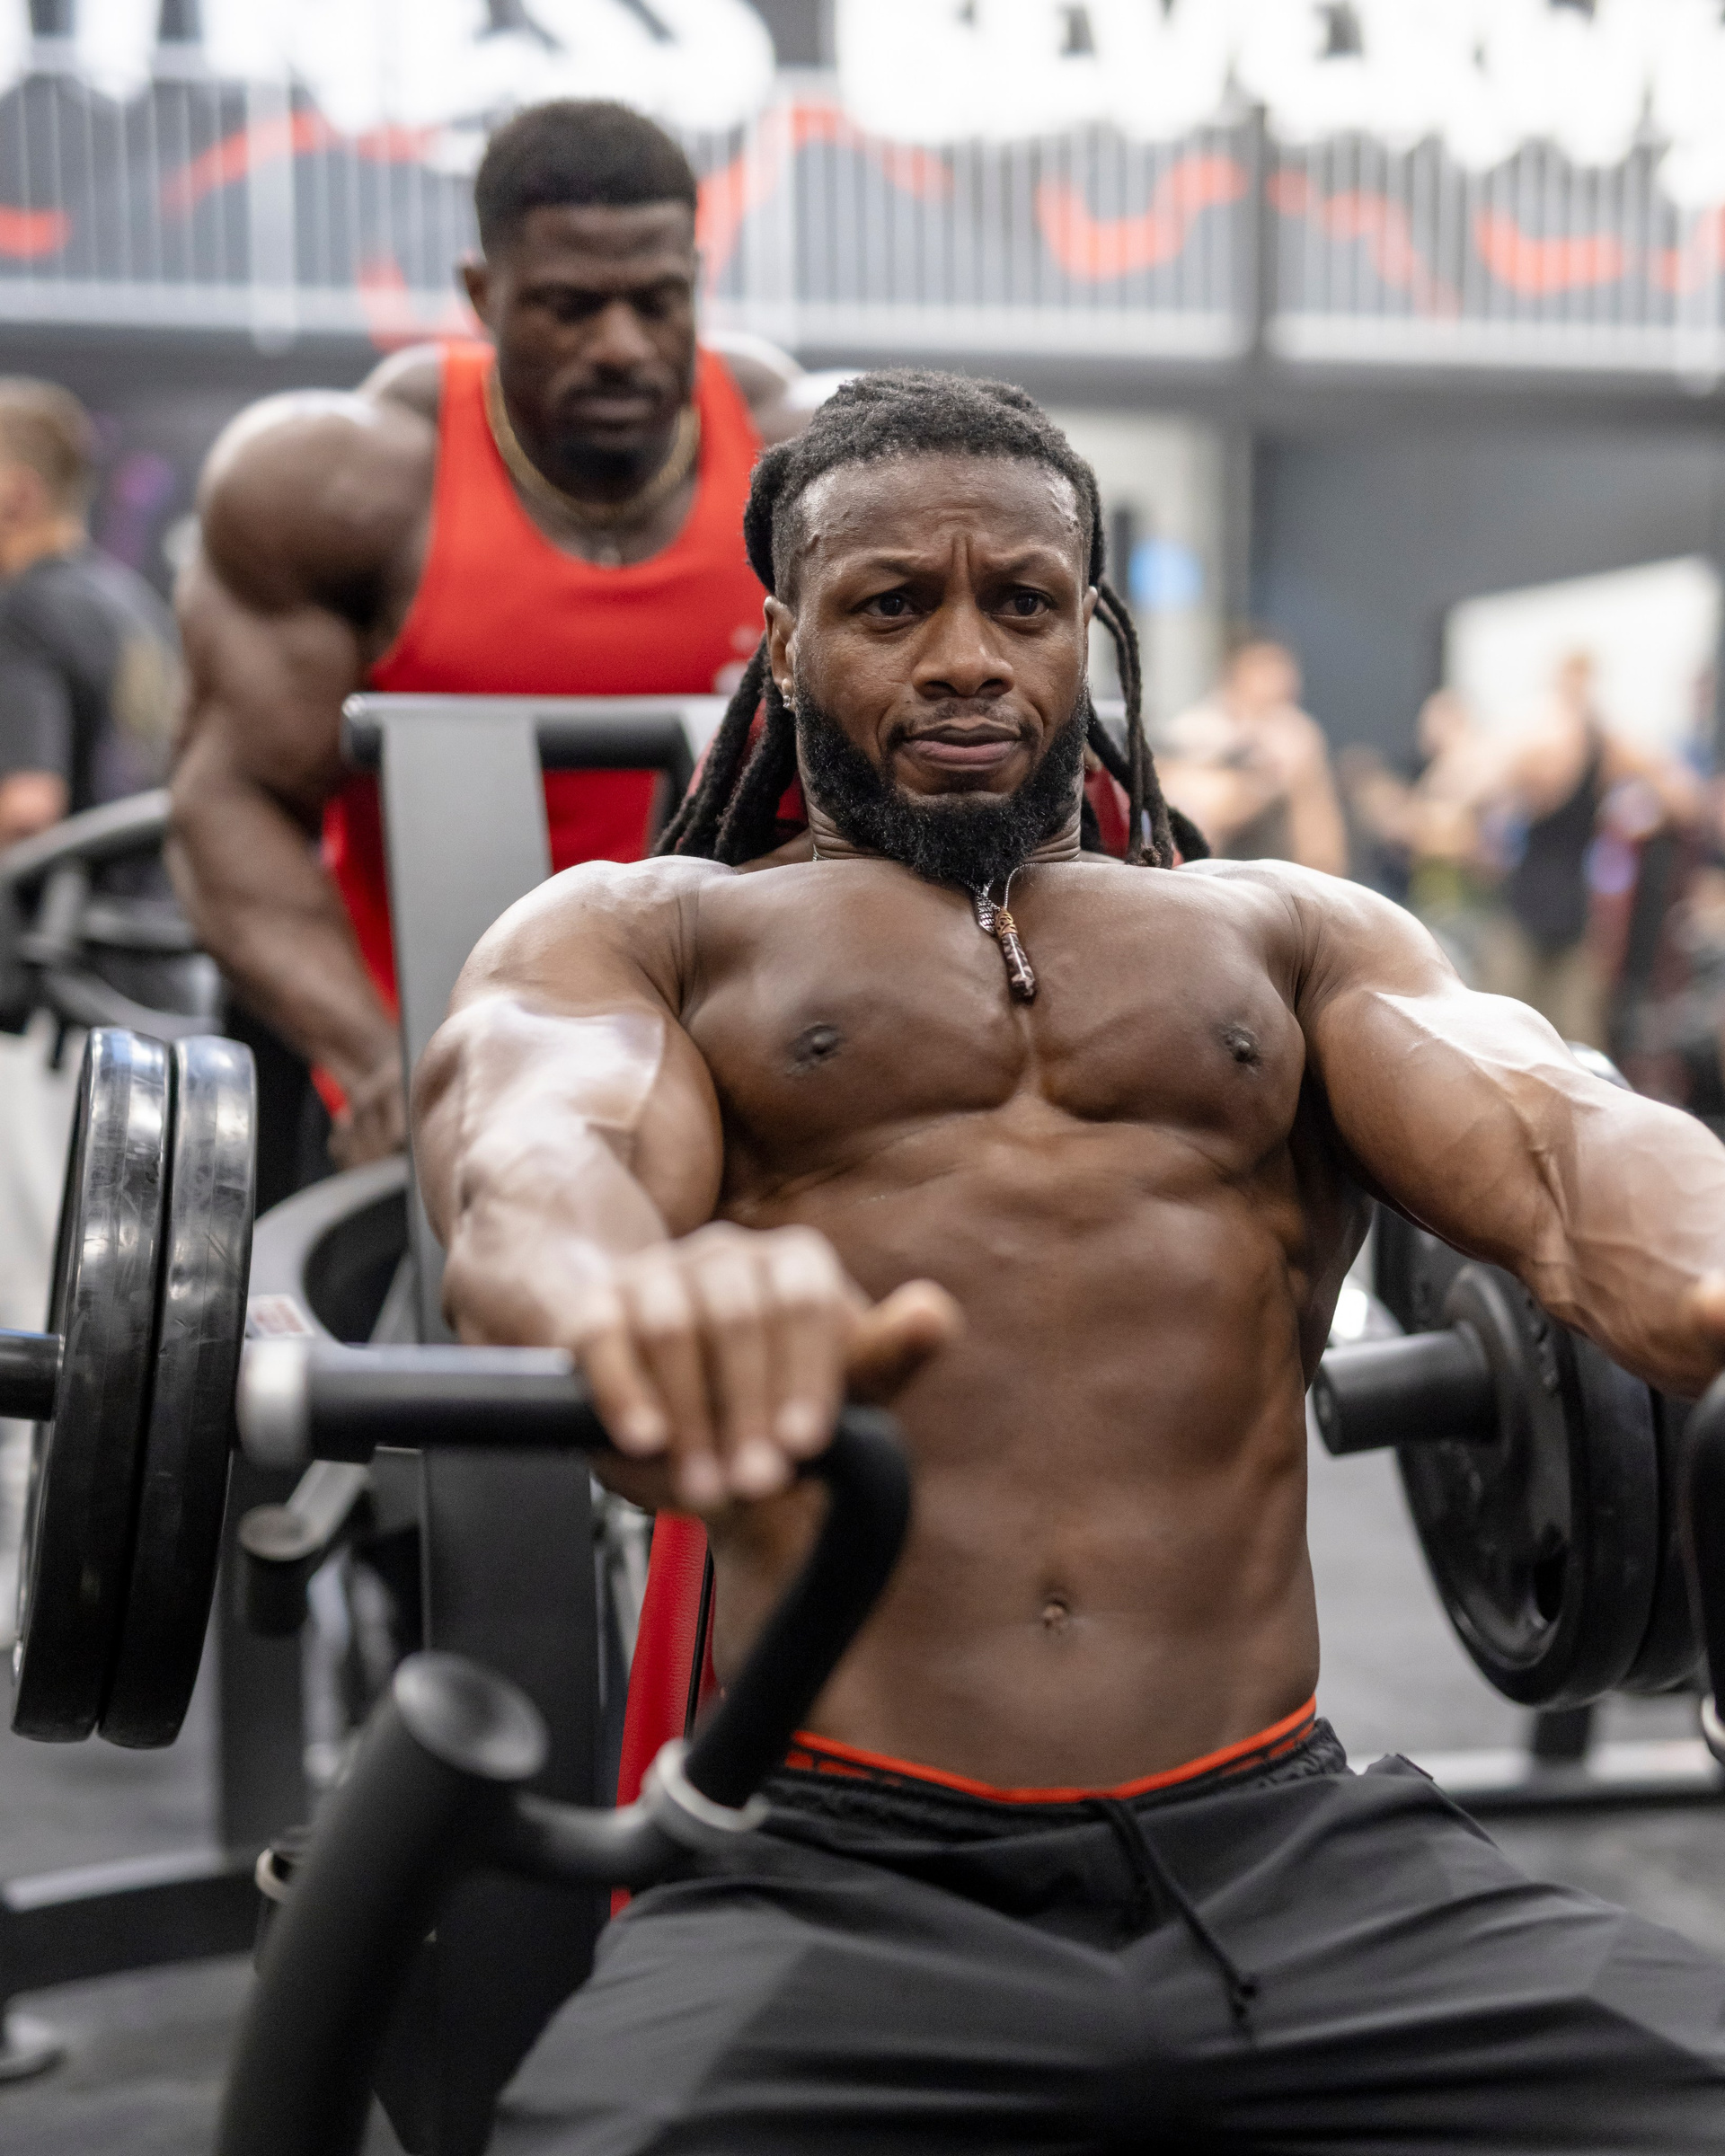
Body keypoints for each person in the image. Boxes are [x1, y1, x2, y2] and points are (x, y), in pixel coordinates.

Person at [415, 371, 1725, 2152]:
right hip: (843, 1878)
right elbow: (532, 1156)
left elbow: (1563, 1139)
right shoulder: (654, 935)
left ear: (1090, 630)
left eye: (1022, 604)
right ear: (786, 644)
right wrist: (633, 1298)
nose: (968, 659)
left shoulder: (1287, 937)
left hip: (1293, 1856)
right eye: (894, 606)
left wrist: (1704, 1261)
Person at [170, 99, 809, 1171]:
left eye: (658, 302)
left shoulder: (803, 470)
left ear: (699, 278)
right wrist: (377, 1061)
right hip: (420, 1032)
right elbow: (232, 801)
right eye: (569, 307)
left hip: (730, 1044)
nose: (621, 346)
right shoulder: (344, 486)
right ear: (481, 293)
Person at [1468, 649, 1700, 1051]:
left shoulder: (1603, 745)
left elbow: (1682, 798)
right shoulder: (1530, 743)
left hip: (1574, 913)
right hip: (1522, 909)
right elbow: (1473, 797)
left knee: (1575, 1042)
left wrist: (1650, 811)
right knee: (1499, 1034)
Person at [0, 377, 178, 845]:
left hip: (67, 889)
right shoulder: (134, 601)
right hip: (151, 884)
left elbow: (27, 810)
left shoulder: (21, 611)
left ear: (18, 495)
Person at [1155, 630, 1349, 875]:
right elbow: (1201, 814)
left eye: (1284, 670)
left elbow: (1321, 833)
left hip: (1286, 872)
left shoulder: (1296, 731)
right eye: (1266, 669)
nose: (1280, 681)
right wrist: (1263, 780)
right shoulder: (1195, 731)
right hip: (1209, 871)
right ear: (1235, 672)